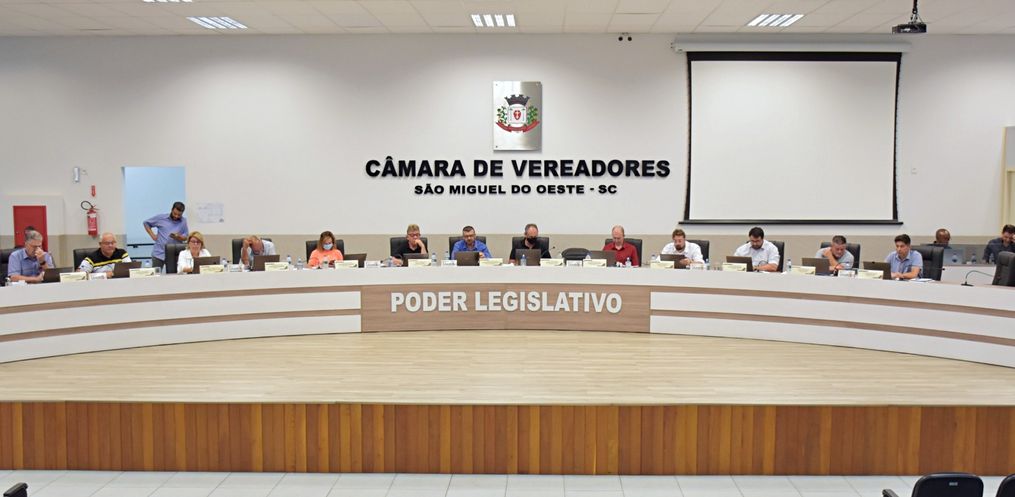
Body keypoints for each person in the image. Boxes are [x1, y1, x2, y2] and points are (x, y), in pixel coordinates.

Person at [144, 201, 188, 270]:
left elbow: (185, 237)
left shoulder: (184, 221)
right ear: (172, 209)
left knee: (174, 275)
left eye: (179, 215)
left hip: (174, 255)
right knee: (156, 275)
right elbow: (146, 223)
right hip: (159, 254)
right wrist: (152, 235)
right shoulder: (161, 218)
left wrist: (178, 236)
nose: (176, 216)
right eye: (175, 213)